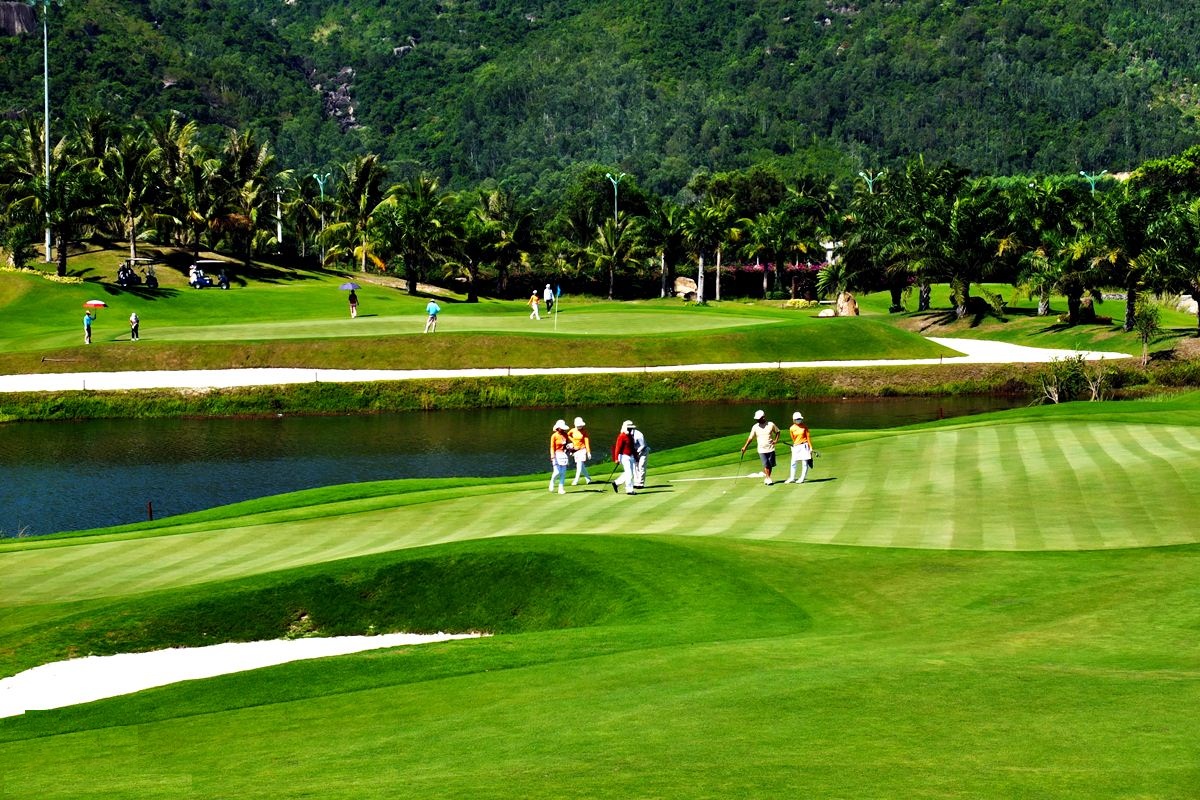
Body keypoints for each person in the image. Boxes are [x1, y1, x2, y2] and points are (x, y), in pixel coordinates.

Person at [740, 409, 780, 486]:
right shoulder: (755, 427)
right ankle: (768, 478)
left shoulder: (771, 424)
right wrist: (745, 447)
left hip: (770, 448)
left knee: (770, 465)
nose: (757, 420)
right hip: (761, 450)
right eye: (757, 419)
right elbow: (750, 438)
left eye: (759, 418)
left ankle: (767, 478)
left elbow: (778, 432)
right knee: (766, 464)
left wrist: (775, 440)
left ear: (763, 417)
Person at [786, 411, 814, 484]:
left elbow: (808, 437)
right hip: (796, 446)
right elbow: (793, 438)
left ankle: (802, 478)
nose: (799, 420)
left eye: (799, 419)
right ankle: (792, 478)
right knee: (793, 462)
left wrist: (810, 447)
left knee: (804, 463)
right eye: (797, 419)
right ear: (794, 420)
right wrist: (796, 444)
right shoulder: (791, 428)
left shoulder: (804, 427)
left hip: (804, 445)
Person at [611, 419, 637, 495]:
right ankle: (629, 490)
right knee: (629, 473)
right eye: (629, 428)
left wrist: (636, 457)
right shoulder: (621, 436)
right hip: (624, 456)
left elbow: (632, 448)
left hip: (631, 456)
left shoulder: (630, 436)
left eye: (631, 428)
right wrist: (616, 459)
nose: (631, 429)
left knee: (630, 473)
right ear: (626, 428)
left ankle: (616, 483)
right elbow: (617, 448)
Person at [549, 419, 570, 495]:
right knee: (557, 472)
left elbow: (566, 445)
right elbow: (552, 446)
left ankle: (561, 489)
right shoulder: (554, 436)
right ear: (558, 428)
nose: (563, 429)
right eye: (561, 428)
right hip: (556, 454)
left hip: (563, 455)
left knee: (563, 473)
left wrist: (569, 450)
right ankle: (552, 481)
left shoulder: (565, 435)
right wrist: (552, 455)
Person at [568, 417, 592, 485]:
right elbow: (568, 435)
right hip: (576, 450)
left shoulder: (584, 431)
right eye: (579, 425)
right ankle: (588, 478)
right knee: (581, 466)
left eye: (581, 425)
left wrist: (588, 452)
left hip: (582, 450)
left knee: (579, 465)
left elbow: (586, 442)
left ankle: (576, 480)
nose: (580, 426)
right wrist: (573, 441)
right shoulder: (572, 430)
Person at [631, 422, 650, 489]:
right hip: (635, 452)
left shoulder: (638, 434)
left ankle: (641, 484)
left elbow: (643, 445)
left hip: (643, 451)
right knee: (635, 467)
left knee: (641, 466)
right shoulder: (627, 434)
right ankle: (636, 483)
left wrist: (637, 452)